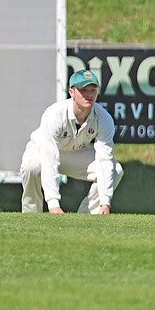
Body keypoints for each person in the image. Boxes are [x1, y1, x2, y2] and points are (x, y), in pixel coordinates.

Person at [20, 69, 124, 214]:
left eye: (93, 90)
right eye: (83, 90)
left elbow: (104, 159)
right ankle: (31, 215)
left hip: (73, 153)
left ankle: (87, 216)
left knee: (116, 169)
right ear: (71, 92)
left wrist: (105, 201)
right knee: (31, 166)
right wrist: (53, 204)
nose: (89, 94)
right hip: (41, 149)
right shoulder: (55, 115)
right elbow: (50, 159)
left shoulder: (104, 118)